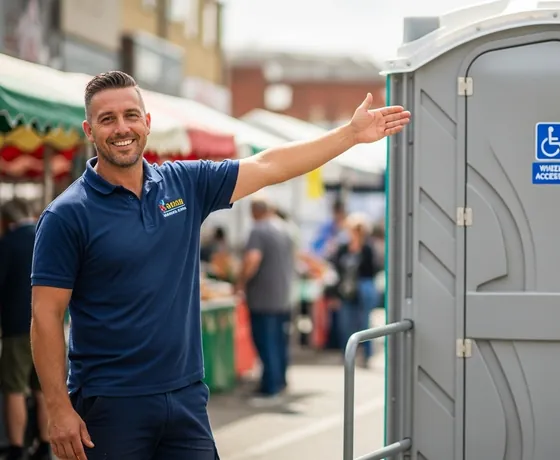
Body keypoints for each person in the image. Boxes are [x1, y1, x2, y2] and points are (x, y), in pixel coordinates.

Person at [30, 71, 410, 460]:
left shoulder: (183, 185)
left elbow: (268, 166)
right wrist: (59, 408)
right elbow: (46, 315)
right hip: (110, 403)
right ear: (89, 130)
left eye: (130, 115)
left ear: (147, 123)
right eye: (107, 119)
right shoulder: (66, 215)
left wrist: (349, 135)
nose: (121, 128)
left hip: (185, 398)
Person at [0, 199, 50, 460]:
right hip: (48, 328)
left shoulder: (8, 244)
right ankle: (45, 445)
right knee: (42, 389)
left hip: (17, 328)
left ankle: (17, 448)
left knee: (14, 389)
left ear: (7, 221)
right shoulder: (47, 235)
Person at [235, 198, 295, 404]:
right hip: (284, 296)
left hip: (263, 297)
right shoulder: (286, 229)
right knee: (279, 342)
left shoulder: (259, 230)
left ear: (255, 212)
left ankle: (270, 387)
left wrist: (240, 282)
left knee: (265, 342)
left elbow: (252, 259)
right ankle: (279, 381)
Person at [329, 213, 381, 368]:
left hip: (364, 287)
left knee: (364, 322)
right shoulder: (343, 248)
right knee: (345, 323)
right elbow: (335, 267)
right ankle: (347, 354)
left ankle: (366, 355)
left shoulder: (368, 248)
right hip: (346, 288)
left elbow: (374, 268)